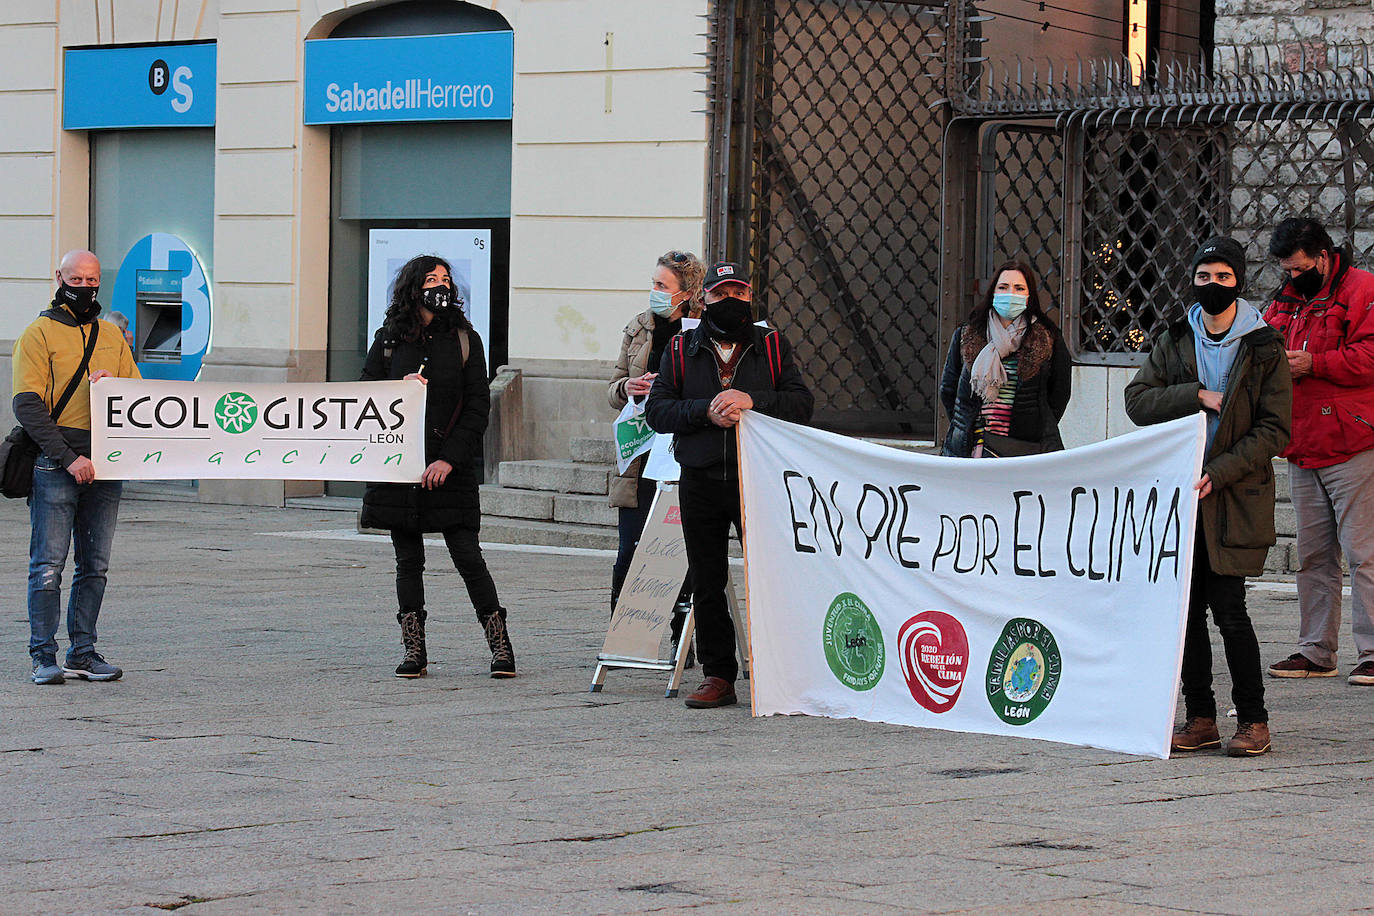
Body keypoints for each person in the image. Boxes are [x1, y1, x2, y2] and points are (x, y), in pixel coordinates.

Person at [1126, 236, 1292, 757]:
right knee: (1186, 611)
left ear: (1239, 281)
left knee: (1231, 610)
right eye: (1204, 277)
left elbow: (1274, 429)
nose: (1213, 286)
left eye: (1224, 277)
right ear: (1192, 281)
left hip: (1235, 496)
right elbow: (1137, 400)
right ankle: (1200, 716)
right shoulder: (1175, 338)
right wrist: (1194, 395)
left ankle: (1253, 720)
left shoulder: (1265, 346)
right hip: (1180, 496)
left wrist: (1219, 471)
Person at [645, 261, 814, 708]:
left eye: (739, 294)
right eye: (722, 295)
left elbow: (801, 404)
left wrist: (752, 401)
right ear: (705, 300)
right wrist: (706, 410)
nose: (731, 302)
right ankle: (719, 674)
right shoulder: (682, 349)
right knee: (708, 577)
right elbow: (659, 411)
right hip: (700, 477)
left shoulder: (772, 345)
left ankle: (781, 670)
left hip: (756, 478)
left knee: (772, 575)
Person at [359, 255, 515, 680]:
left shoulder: (465, 338)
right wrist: (398, 388)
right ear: (413, 287)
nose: (440, 286)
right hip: (401, 466)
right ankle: (414, 651)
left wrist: (449, 458)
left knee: (468, 556)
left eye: (445, 279)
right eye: (431, 280)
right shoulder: (389, 337)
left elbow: (477, 405)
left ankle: (501, 647)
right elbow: (364, 394)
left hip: (452, 466)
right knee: (407, 560)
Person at [12, 249, 140, 685]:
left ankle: (82, 652)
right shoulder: (38, 334)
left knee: (96, 565)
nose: (85, 287)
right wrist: (68, 458)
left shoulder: (110, 334)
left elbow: (140, 398)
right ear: (59, 277)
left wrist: (115, 386)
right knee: (48, 564)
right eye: (77, 279)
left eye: (92, 280)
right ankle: (42, 654)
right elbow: (27, 405)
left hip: (104, 463)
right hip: (56, 462)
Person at [1263, 218, 1374, 687]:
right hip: (1303, 443)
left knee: (1363, 552)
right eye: (1287, 270)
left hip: (1352, 441)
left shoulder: (1363, 289)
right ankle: (1316, 650)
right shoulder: (1285, 299)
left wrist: (1316, 363)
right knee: (1313, 555)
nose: (1293, 277)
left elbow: (1370, 354)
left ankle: (1370, 652)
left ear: (1325, 255)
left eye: (1301, 268)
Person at [607, 251, 703, 659]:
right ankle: (625, 637)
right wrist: (628, 387)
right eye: (654, 283)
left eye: (663, 287)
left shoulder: (703, 329)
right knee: (630, 549)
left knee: (682, 548)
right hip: (640, 458)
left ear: (687, 293)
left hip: (681, 453)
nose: (655, 293)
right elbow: (612, 385)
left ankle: (684, 636)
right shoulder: (639, 326)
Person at [939, 261, 1071, 458]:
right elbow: (949, 389)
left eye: (1019, 288)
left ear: (1029, 295)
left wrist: (1034, 426)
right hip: (971, 448)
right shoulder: (967, 335)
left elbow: (1059, 394)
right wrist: (963, 425)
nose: (1011, 294)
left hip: (1025, 450)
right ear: (993, 292)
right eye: (1003, 287)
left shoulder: (1047, 337)